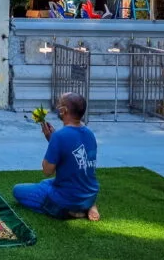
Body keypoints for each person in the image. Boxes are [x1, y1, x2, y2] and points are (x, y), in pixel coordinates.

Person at [13, 92, 100, 221]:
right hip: (89, 193)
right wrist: (52, 140)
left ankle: (72, 211)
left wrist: (53, 142)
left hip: (67, 198)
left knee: (18, 190)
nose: (57, 107)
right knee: (45, 184)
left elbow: (47, 171)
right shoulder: (89, 133)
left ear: (64, 110)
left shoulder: (60, 136)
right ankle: (88, 205)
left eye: (59, 104)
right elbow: (73, 161)